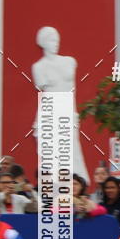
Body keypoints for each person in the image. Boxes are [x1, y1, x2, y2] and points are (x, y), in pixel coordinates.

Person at [31, 25, 89, 184]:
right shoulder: (39, 67)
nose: (55, 43)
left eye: (57, 40)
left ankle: (78, 183)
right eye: (51, 40)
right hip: (50, 110)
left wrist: (74, 113)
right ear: (42, 42)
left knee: (72, 150)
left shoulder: (70, 62)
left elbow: (73, 90)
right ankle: (56, 184)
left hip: (68, 109)